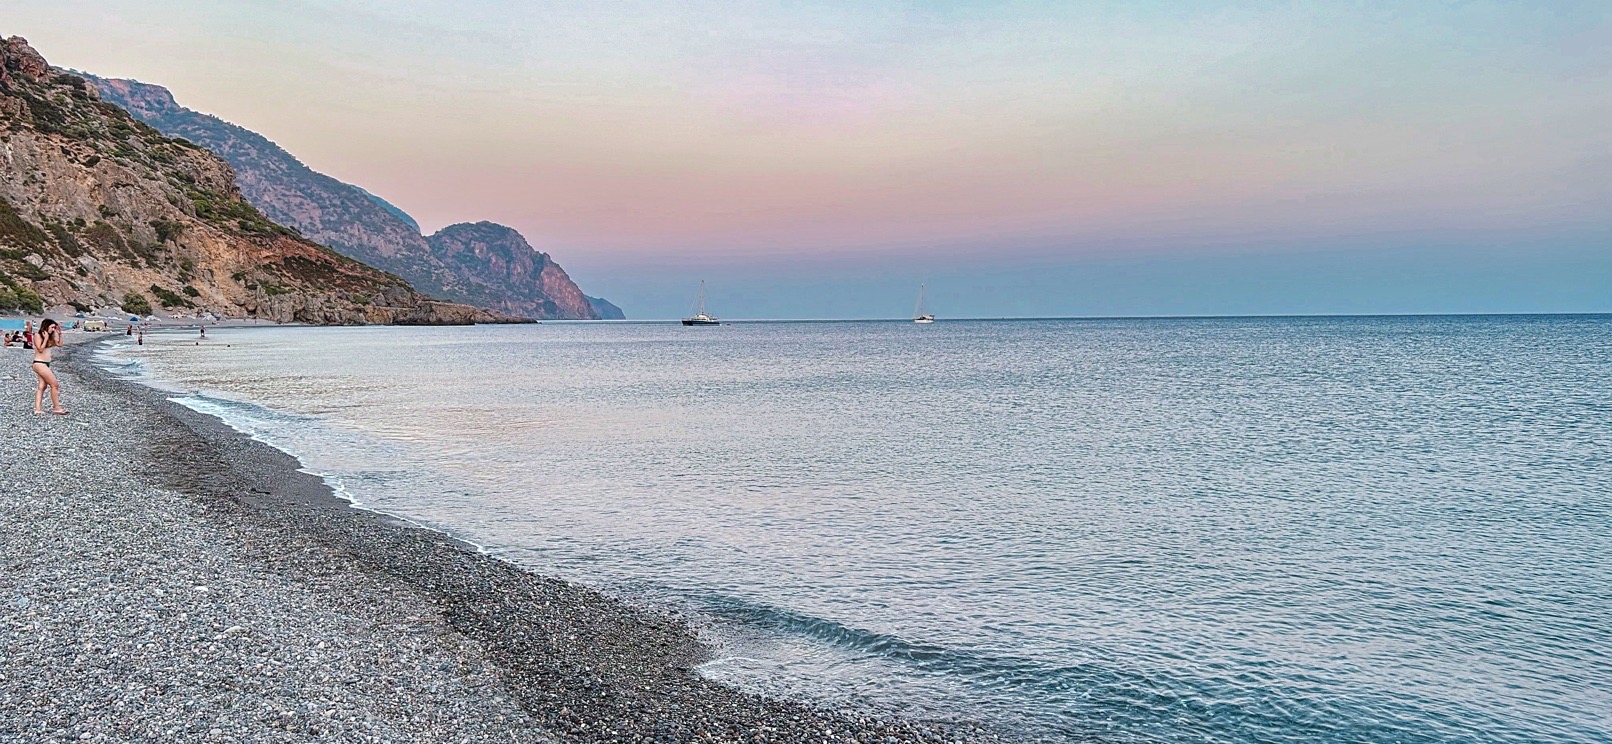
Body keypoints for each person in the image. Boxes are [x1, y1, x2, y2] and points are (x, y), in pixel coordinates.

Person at [32, 318, 67, 415]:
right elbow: (40, 349)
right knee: (54, 385)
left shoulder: (50, 337)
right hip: (39, 363)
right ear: (46, 326)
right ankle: (56, 407)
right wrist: (46, 338)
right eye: (52, 327)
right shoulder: (37, 335)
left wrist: (59, 334)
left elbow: (59, 345)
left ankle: (38, 409)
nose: (53, 329)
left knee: (42, 386)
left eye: (54, 328)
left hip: (45, 364)